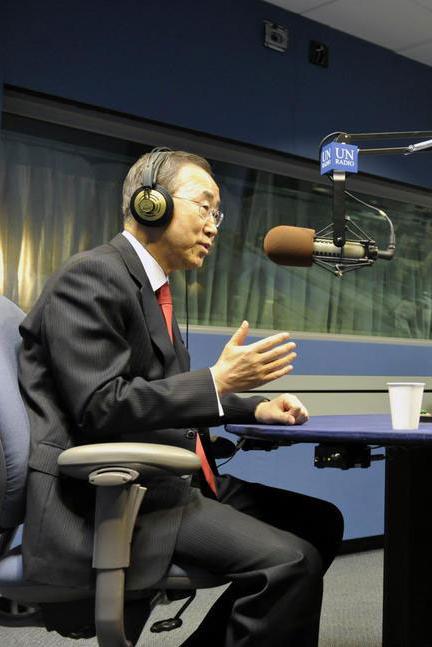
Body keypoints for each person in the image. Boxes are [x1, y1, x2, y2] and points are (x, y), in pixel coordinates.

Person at [18, 149, 344, 646]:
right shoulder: (92, 275)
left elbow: (156, 393)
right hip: (125, 497)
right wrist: (217, 381)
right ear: (151, 204)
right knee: (290, 563)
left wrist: (253, 405)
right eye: (205, 207)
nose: (214, 226)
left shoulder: (151, 289)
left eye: (218, 214)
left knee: (320, 523)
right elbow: (101, 405)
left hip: (171, 482)